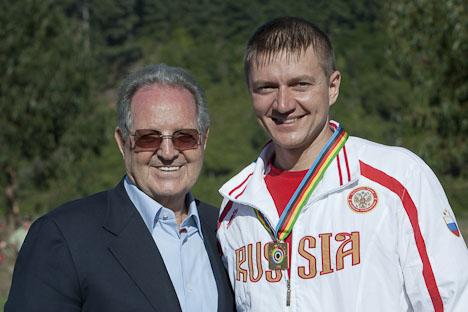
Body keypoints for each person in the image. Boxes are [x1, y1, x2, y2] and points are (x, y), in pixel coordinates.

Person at [216, 16, 468, 311]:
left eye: (300, 84)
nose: (283, 104)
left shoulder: (397, 178)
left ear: (332, 86)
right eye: (266, 87)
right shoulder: (235, 208)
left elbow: (453, 301)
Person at [6, 64, 235, 312]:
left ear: (203, 140)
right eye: (149, 138)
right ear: (122, 142)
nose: (168, 153)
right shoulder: (62, 236)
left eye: (184, 137)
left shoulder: (228, 230)